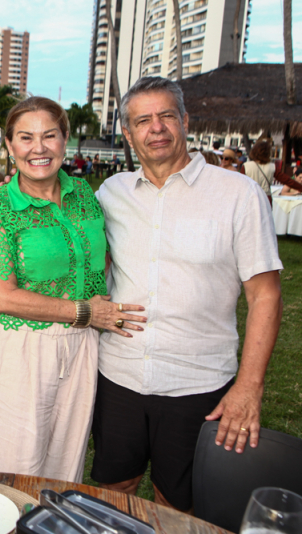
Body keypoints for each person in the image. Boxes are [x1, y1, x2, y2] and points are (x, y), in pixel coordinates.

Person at [93, 77, 283, 512]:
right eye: (143, 120)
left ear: (185, 121)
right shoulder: (110, 193)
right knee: (111, 489)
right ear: (128, 133)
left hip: (197, 382)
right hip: (118, 376)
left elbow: (266, 296)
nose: (155, 128)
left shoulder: (238, 194)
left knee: (178, 503)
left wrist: (249, 387)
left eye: (165, 116)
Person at [0, 96, 146, 482]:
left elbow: (99, 260)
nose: (39, 148)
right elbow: (2, 297)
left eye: (49, 135)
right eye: (26, 137)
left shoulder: (85, 194)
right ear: (10, 145)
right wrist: (87, 311)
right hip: (23, 349)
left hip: (83, 347)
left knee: (65, 469)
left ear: (65, 139)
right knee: (12, 471)